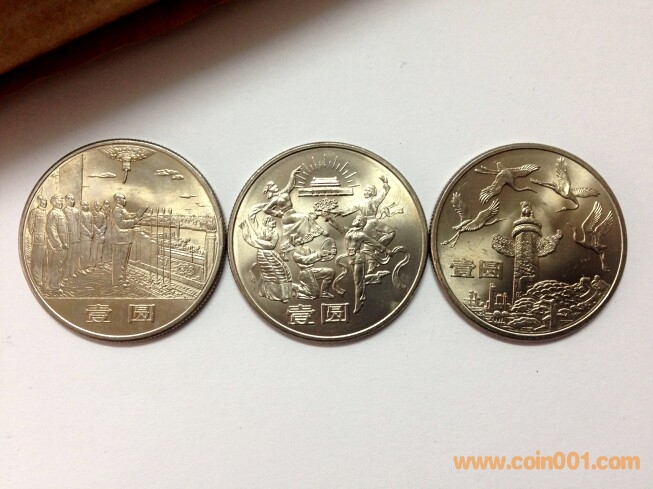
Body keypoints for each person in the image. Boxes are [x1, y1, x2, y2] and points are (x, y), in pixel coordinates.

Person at [325, 214, 390, 313]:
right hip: (351, 258)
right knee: (359, 280)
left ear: (361, 223)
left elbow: (374, 243)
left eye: (358, 219)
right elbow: (338, 226)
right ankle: (372, 283)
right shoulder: (348, 231)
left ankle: (358, 303)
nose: (355, 220)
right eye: (356, 218)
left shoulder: (361, 235)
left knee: (357, 282)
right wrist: (329, 218)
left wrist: (386, 250)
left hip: (358, 258)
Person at [335, 176, 396, 271]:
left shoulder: (369, 201)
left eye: (367, 190)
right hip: (370, 223)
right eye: (365, 190)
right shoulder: (371, 201)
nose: (365, 192)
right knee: (386, 235)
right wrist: (385, 185)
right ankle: (373, 261)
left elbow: (351, 209)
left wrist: (340, 212)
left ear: (371, 192)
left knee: (375, 239)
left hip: (368, 223)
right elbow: (383, 194)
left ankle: (375, 254)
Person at [261, 167, 325, 252]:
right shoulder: (274, 199)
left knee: (308, 216)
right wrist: (277, 213)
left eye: (274, 185)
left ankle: (309, 234)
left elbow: (290, 185)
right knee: (305, 217)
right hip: (287, 216)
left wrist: (292, 175)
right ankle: (320, 231)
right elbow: (265, 209)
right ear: (270, 190)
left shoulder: (285, 192)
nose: (275, 186)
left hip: (293, 213)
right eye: (272, 186)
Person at [239, 215, 292, 302]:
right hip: (262, 255)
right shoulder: (261, 231)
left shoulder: (275, 234)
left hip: (270, 254)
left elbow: (272, 245)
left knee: (283, 270)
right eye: (271, 221)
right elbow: (253, 221)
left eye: (273, 220)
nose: (274, 222)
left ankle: (284, 295)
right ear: (267, 223)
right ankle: (277, 296)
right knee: (271, 273)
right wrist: (246, 227)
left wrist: (256, 241)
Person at [108, 193, 147, 286]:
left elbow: (128, 217)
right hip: (120, 239)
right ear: (118, 200)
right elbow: (121, 224)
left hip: (125, 238)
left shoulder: (122, 209)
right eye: (123, 199)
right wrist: (134, 221)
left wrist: (138, 214)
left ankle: (122, 278)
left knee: (123, 261)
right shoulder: (117, 210)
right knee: (119, 261)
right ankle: (117, 281)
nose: (125, 200)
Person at [290, 235, 334, 300]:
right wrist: (319, 254)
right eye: (298, 238)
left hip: (312, 270)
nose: (301, 237)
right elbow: (306, 260)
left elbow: (317, 256)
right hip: (305, 274)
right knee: (315, 295)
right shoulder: (295, 254)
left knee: (330, 272)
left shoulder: (307, 249)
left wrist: (329, 253)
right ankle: (293, 286)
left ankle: (324, 292)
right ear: (294, 242)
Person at [46, 194, 68, 292]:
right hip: (57, 245)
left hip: (63, 244)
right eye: (59, 200)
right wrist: (58, 244)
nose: (61, 202)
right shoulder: (53, 213)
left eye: (61, 200)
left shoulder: (60, 212)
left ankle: (57, 282)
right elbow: (51, 230)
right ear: (54, 202)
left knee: (60, 264)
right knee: (55, 265)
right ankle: (54, 286)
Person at [27, 195, 48, 286]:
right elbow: (30, 226)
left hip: (46, 240)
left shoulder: (46, 212)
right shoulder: (34, 212)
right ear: (39, 201)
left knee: (45, 260)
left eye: (45, 200)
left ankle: (44, 279)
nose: (45, 202)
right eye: (43, 200)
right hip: (38, 240)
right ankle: (37, 280)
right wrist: (36, 235)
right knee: (37, 260)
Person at [62, 193, 81, 279]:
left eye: (73, 199)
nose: (71, 201)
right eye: (69, 199)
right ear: (66, 200)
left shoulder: (76, 211)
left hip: (75, 236)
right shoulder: (64, 211)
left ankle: (72, 272)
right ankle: (65, 274)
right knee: (67, 256)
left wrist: (78, 235)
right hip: (68, 237)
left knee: (74, 255)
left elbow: (79, 223)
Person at [90, 201, 106, 268]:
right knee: (94, 249)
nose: (97, 207)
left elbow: (105, 224)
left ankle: (98, 263)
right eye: (96, 205)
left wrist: (101, 231)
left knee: (100, 249)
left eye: (98, 206)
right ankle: (92, 263)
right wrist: (97, 230)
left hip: (101, 234)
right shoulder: (91, 214)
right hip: (95, 234)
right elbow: (91, 224)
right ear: (94, 206)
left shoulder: (102, 215)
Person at [79, 200, 93, 273]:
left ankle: (86, 267)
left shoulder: (90, 214)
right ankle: (82, 268)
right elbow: (81, 225)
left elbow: (92, 224)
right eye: (84, 205)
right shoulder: (81, 213)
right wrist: (88, 232)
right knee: (83, 253)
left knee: (88, 252)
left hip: (89, 236)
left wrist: (92, 232)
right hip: (83, 235)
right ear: (81, 206)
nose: (86, 206)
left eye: (87, 205)